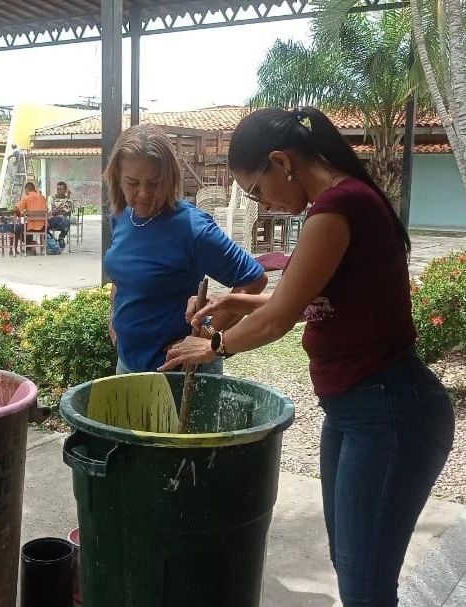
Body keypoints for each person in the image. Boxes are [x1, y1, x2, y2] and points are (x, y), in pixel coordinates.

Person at [160, 107, 455, 606]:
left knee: (365, 586)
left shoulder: (337, 209)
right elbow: (306, 303)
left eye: (257, 190)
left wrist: (212, 345)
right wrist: (234, 301)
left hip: (388, 409)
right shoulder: (340, 204)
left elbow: (278, 319)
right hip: (356, 410)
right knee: (356, 572)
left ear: (281, 161)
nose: (264, 204)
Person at [103, 124, 267, 374]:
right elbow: (122, 273)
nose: (143, 194)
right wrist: (114, 313)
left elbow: (253, 279)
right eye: (132, 182)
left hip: (180, 372)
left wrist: (205, 339)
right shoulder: (121, 216)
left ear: (169, 179)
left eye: (154, 183)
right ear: (117, 177)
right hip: (128, 362)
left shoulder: (192, 228)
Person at [13, 182, 48, 255]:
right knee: (25, 226)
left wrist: (19, 215)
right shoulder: (42, 197)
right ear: (34, 189)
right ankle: (31, 247)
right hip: (43, 227)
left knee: (17, 229)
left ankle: (23, 249)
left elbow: (16, 209)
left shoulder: (26, 197)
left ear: (27, 189)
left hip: (30, 227)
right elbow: (47, 210)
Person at [48, 181, 73, 250]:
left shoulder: (68, 200)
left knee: (66, 221)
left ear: (65, 190)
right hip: (52, 219)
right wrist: (61, 209)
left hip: (62, 221)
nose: (58, 191)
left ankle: (61, 238)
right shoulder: (52, 198)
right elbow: (50, 209)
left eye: (60, 189)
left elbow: (68, 210)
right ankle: (52, 239)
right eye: (57, 189)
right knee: (41, 225)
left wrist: (67, 198)